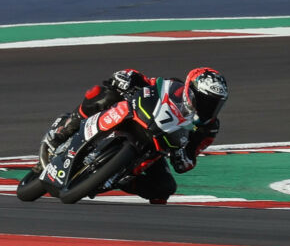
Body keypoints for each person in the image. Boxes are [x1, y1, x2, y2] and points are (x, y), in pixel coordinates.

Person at [46, 67, 229, 203]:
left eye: (215, 104)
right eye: (205, 100)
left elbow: (190, 158)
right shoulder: (175, 88)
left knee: (164, 190)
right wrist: (127, 77)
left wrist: (183, 157)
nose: (209, 108)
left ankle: (119, 180)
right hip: (140, 118)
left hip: (156, 146)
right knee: (104, 93)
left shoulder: (209, 129)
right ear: (192, 91)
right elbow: (148, 82)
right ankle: (68, 127)